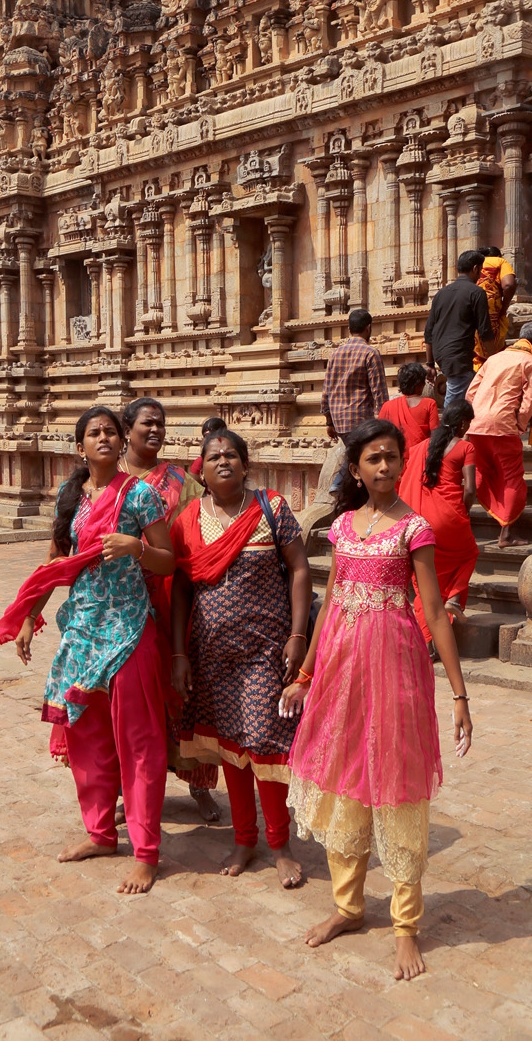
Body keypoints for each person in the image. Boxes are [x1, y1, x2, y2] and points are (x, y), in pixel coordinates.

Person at [280, 418, 472, 978]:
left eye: (392, 457)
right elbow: (332, 602)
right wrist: (306, 674)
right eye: (373, 459)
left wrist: (459, 695)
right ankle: (348, 906)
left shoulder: (414, 529)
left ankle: (406, 927)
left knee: (397, 786)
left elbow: (433, 610)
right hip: (340, 671)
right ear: (356, 469)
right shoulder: (342, 527)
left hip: (396, 668)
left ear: (402, 463)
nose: (384, 467)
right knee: (342, 781)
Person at [0, 405, 175, 895]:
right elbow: (57, 559)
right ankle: (100, 833)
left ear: (122, 443)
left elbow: (167, 561)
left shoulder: (140, 495)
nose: (104, 438)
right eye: (94, 433)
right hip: (82, 631)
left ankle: (145, 852)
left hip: (129, 629)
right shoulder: (71, 497)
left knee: (138, 743)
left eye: (111, 432)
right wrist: (32, 617)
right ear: (80, 447)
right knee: (87, 737)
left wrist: (136, 548)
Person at [171, 429, 313, 889]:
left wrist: (297, 635)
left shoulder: (270, 508)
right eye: (214, 457)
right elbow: (181, 592)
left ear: (246, 465)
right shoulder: (189, 519)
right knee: (231, 745)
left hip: (266, 652)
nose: (224, 461)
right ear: (203, 470)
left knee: (265, 743)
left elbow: (299, 567)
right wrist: (179, 653)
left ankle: (280, 845)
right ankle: (245, 837)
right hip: (212, 655)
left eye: (232, 454)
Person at [119, 397, 220, 822]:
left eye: (161, 423)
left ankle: (199, 786)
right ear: (127, 429)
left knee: (185, 694)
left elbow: (204, 528)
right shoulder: (109, 479)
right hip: (122, 607)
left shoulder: (181, 479)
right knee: (132, 704)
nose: (156, 430)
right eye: (147, 423)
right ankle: (132, 792)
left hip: (175, 602)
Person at [397, 402, 478, 639]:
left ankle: (429, 641)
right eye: (469, 423)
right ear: (463, 422)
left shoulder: (420, 447)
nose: (468, 427)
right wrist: (464, 511)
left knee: (423, 582)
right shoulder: (465, 448)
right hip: (450, 518)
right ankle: (453, 598)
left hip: (419, 522)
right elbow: (471, 489)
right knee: (469, 554)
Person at [465, 323, 532, 548]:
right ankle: (506, 535)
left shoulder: (493, 358)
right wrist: (519, 425)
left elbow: (471, 392)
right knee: (512, 478)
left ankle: (460, 519)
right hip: (503, 425)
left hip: (476, 424)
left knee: (481, 472)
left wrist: (475, 416)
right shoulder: (531, 363)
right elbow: (529, 401)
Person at [423, 250, 494, 407]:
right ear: (475, 268)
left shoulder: (441, 294)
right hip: (458, 355)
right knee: (455, 399)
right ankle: (449, 429)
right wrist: (495, 359)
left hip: (441, 353)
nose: (480, 275)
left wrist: (430, 363)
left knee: (470, 389)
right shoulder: (477, 292)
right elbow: (485, 331)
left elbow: (428, 332)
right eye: (480, 271)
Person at [321, 308, 389, 444]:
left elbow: (326, 392)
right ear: (368, 328)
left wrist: (329, 422)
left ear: (349, 329)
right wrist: (384, 422)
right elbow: (379, 393)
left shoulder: (335, 354)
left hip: (339, 422)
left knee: (354, 459)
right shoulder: (370, 353)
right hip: (361, 422)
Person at [377, 362, 439, 452]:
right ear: (420, 384)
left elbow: (379, 435)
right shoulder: (429, 404)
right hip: (420, 459)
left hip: (395, 459)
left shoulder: (387, 406)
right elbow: (435, 436)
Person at [472, 247, 517, 370]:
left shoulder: (472, 265)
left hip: (470, 314)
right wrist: (504, 307)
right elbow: (509, 285)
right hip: (491, 313)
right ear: (499, 255)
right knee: (492, 349)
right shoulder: (500, 262)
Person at [188, 415, 227, 479]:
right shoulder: (200, 462)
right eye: (206, 437)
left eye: (213, 436)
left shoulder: (234, 457)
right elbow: (192, 487)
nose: (209, 441)